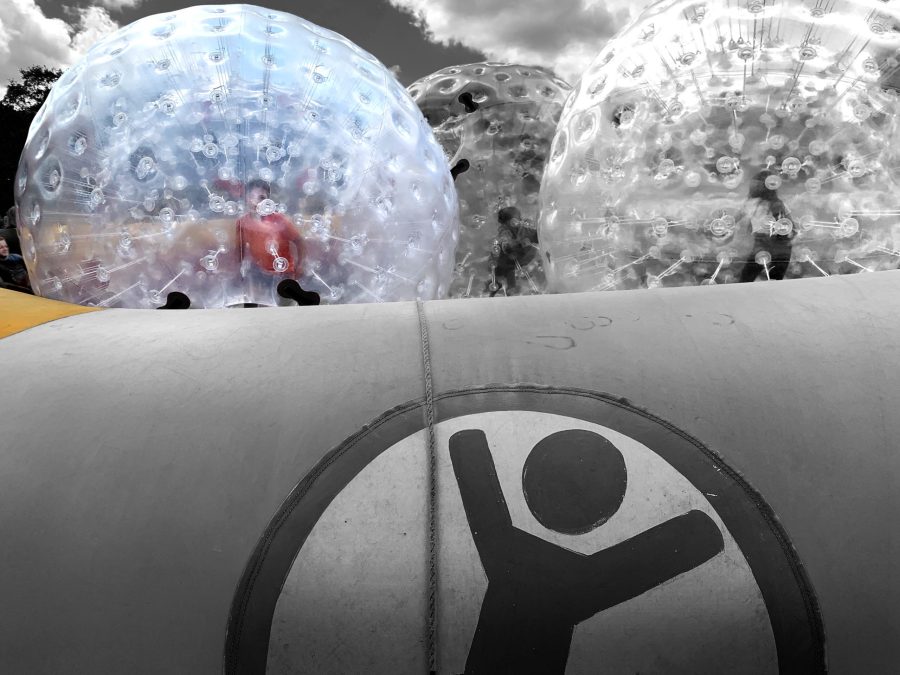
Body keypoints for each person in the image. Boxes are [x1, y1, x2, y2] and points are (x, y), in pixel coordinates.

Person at [234, 179, 305, 297]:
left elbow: (299, 241)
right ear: (246, 199)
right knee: (260, 302)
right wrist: (238, 271)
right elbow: (239, 249)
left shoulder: (280, 219)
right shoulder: (242, 222)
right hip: (260, 272)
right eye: (251, 196)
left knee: (282, 302)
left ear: (268, 200)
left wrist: (300, 266)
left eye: (261, 197)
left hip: (283, 272)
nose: (256, 202)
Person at [739, 170, 795, 282]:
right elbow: (791, 226)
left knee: (747, 277)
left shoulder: (756, 203)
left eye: (756, 184)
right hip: (778, 245)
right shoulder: (776, 203)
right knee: (771, 279)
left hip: (769, 244)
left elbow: (735, 218)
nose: (753, 186)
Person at [487, 206, 539, 296]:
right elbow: (504, 246)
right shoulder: (504, 233)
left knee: (510, 271)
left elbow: (537, 236)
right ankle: (507, 288)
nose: (515, 224)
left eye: (516, 221)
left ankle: (510, 288)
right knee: (506, 271)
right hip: (509, 261)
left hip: (524, 258)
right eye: (505, 224)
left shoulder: (525, 230)